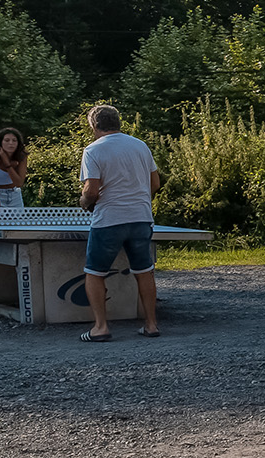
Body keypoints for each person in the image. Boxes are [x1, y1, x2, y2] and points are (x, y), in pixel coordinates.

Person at [77, 105, 162, 344]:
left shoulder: (93, 150)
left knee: (94, 272)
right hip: (141, 217)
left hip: (109, 220)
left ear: (94, 125)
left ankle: (100, 327)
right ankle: (151, 325)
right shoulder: (140, 146)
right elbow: (154, 183)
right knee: (144, 270)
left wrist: (84, 202)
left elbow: (91, 191)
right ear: (118, 122)